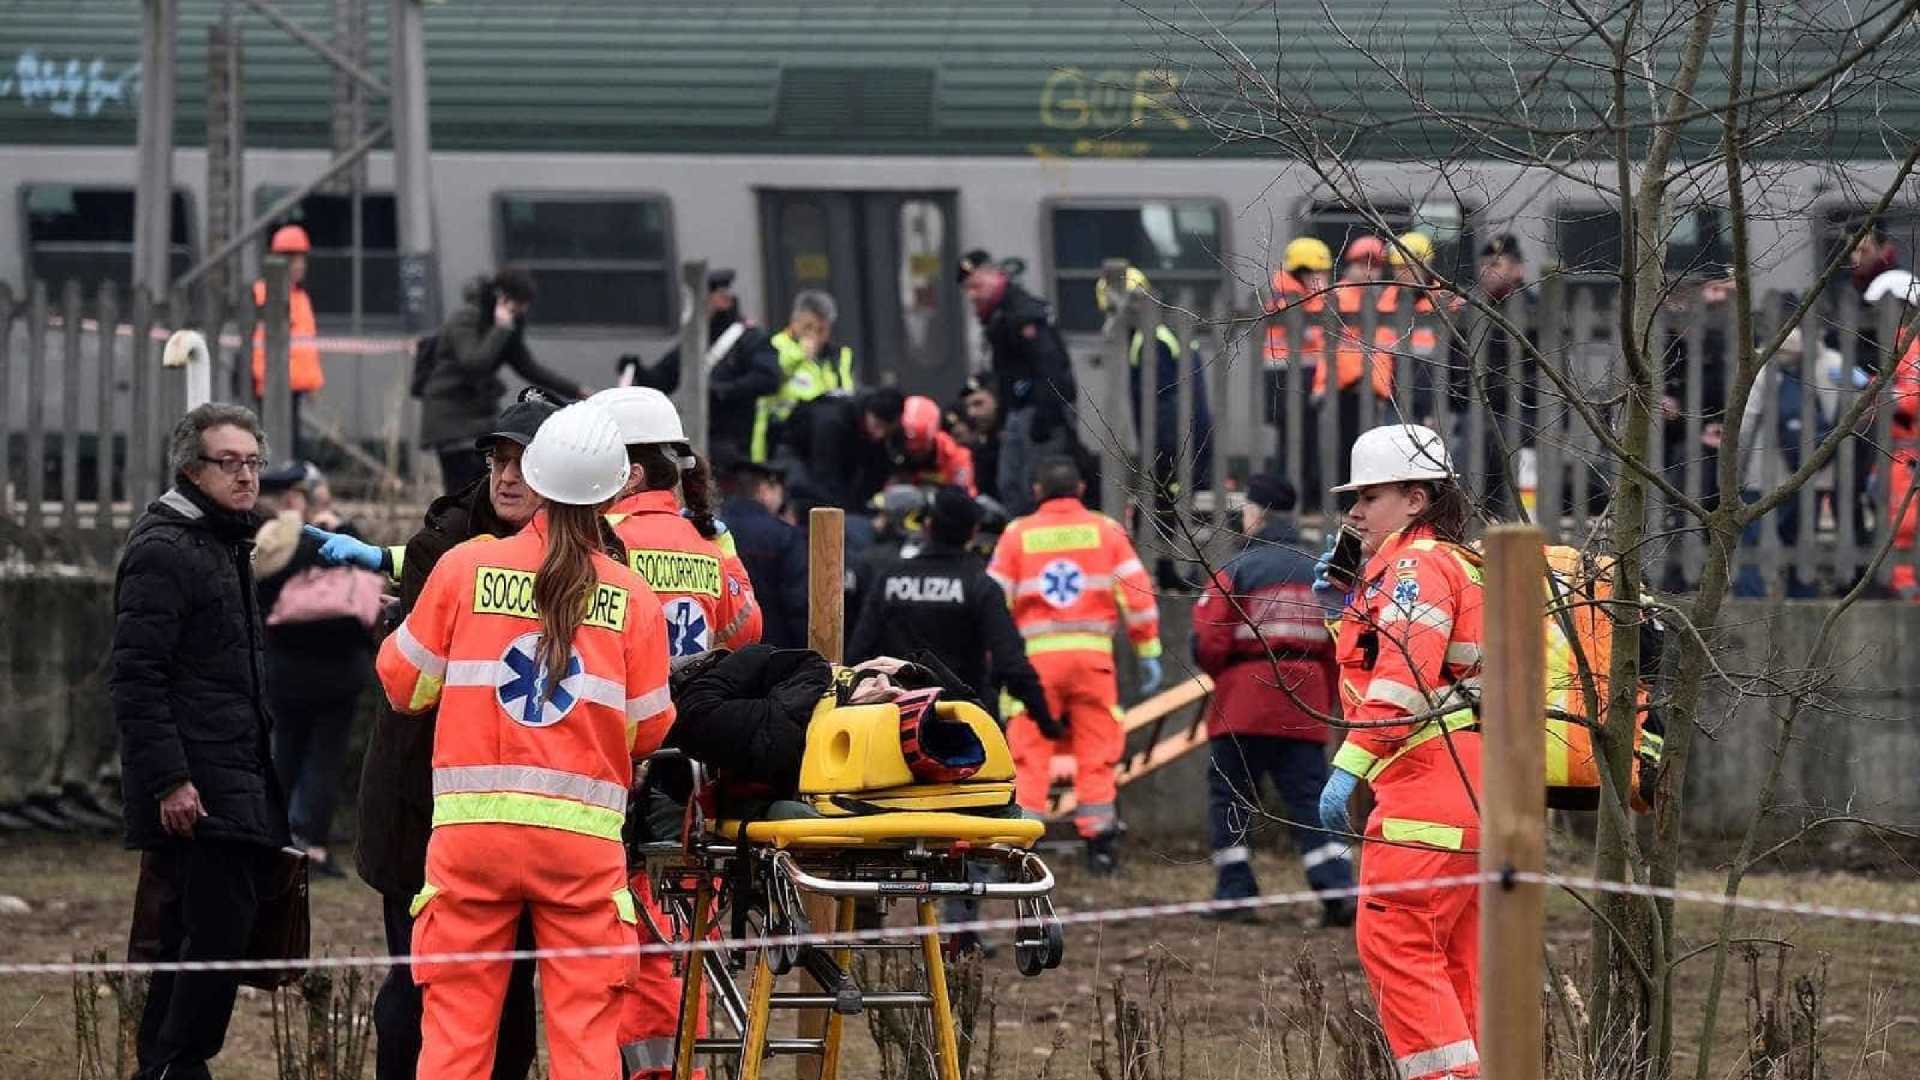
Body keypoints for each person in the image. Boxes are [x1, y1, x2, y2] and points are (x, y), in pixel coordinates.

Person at [375, 400, 676, 1080]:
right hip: (582, 852)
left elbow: (403, 685)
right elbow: (648, 729)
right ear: (614, 489)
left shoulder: (464, 568)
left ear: (536, 476)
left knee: (454, 1035)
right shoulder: (632, 597)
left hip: (471, 842)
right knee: (585, 1039)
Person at [332, 395, 558, 1080]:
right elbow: (417, 680)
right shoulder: (448, 547)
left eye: (524, 463)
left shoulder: (587, 557)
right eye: (498, 460)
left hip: (528, 823)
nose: (506, 477)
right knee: (418, 989)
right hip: (423, 808)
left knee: (513, 999)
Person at [112, 403, 289, 1080]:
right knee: (211, 938)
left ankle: (166, 1066)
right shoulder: (166, 548)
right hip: (197, 788)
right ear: (191, 468)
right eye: (229, 463)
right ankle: (176, 1066)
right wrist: (169, 781)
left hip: (235, 777)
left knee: (204, 938)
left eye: (252, 462)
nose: (245, 477)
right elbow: (136, 677)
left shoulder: (224, 540)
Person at [1315, 423, 1485, 1080]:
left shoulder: (1415, 566)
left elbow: (1405, 675)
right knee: (1455, 967)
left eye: (1370, 496)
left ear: (1416, 499)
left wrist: (1348, 766)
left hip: (1424, 796)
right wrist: (1344, 602)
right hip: (1471, 796)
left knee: (1398, 942)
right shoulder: (1455, 562)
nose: (1353, 512)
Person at [1189, 474, 1355, 926]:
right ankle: (1338, 889)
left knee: (1232, 796)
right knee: (1311, 800)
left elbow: (1208, 640)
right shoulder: (1317, 567)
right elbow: (1343, 639)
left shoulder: (1239, 568)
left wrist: (1223, 673)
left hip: (1244, 700)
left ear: (1257, 512)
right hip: (1306, 700)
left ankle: (1236, 893)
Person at [989, 456, 1161, 873]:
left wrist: (996, 657)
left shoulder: (1017, 534)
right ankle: (1100, 845)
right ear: (1082, 490)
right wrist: (1148, 650)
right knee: (1097, 750)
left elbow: (993, 600)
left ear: (1036, 492)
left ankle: (1020, 848)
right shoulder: (1106, 531)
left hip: (1035, 665)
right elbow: (1137, 594)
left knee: (1029, 752)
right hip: (1092, 662)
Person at [254, 461, 374, 879]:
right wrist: (341, 527)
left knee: (282, 753)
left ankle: (274, 841)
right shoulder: (327, 536)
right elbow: (366, 569)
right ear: (296, 497)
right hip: (339, 670)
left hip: (284, 668)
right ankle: (315, 848)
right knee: (324, 759)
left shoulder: (264, 539)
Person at [849, 486, 1052, 730]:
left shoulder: (890, 579)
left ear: (928, 526)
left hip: (897, 722)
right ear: (974, 531)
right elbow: (1010, 663)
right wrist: (1046, 720)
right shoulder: (980, 585)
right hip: (965, 723)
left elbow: (859, 652)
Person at [595, 385, 762, 657]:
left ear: (631, 477)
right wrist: (727, 560)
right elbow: (747, 632)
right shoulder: (705, 542)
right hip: (695, 697)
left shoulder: (593, 536)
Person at [1095, 265, 1216, 587]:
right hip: (1186, 436)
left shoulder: (1151, 342)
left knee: (1163, 507)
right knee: (1169, 507)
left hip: (1173, 439)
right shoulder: (1166, 333)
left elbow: (1164, 403)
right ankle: (1167, 572)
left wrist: (1159, 452)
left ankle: (1167, 573)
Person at [420, 267, 588, 494]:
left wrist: (576, 391)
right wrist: (500, 329)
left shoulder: (507, 327)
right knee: (462, 492)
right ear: (503, 297)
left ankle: (481, 529)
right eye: (521, 303)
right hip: (451, 418)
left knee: (483, 490)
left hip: (478, 416)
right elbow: (473, 363)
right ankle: (461, 530)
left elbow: (528, 367)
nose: (524, 310)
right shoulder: (467, 318)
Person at [618, 268, 782, 464]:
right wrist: (637, 369)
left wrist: (724, 391)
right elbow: (662, 380)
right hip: (698, 439)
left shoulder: (750, 338)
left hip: (734, 443)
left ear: (722, 300)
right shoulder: (695, 342)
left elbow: (769, 379)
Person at [962, 255, 1079, 515]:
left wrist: (1045, 416)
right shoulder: (1000, 315)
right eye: (968, 289)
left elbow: (1050, 366)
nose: (973, 295)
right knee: (1011, 484)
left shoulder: (1022, 313)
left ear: (995, 276)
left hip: (1038, 412)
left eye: (977, 286)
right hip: (1019, 412)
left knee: (1033, 488)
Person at [716, 456, 810, 648]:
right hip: (774, 654)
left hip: (719, 653)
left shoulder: (707, 531)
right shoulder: (784, 536)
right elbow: (797, 603)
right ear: (764, 489)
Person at [1262, 237, 1334, 487]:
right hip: (1289, 376)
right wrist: (1320, 294)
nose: (1323, 277)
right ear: (1303, 271)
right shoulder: (1291, 298)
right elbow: (1313, 333)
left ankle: (1293, 489)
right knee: (1295, 439)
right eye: (1318, 272)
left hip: (1287, 374)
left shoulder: (1286, 292)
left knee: (1294, 438)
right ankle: (1292, 491)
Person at [755, 290, 856, 462]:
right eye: (808, 327)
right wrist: (800, 355)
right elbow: (771, 379)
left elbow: (846, 392)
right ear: (794, 323)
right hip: (782, 436)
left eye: (821, 329)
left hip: (824, 437)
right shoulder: (774, 347)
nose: (814, 335)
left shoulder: (839, 356)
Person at [250, 225, 322, 457]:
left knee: (290, 445)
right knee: (274, 444)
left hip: (295, 384)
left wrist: (312, 384)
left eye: (302, 259)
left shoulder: (301, 298)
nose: (300, 265)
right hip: (272, 384)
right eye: (294, 259)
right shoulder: (262, 293)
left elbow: (306, 345)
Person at [784, 386, 906, 517]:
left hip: (840, 456)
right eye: (877, 426)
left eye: (886, 429)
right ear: (868, 413)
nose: (880, 434)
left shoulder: (879, 429)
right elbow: (826, 476)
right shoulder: (832, 421)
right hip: (801, 455)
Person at [893, 393, 977, 493]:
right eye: (910, 447)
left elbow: (966, 498)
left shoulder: (956, 457)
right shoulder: (892, 453)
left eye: (921, 449)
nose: (915, 454)